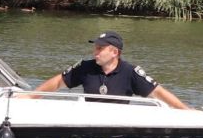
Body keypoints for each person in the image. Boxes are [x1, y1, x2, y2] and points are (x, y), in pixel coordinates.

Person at [33, 31, 190, 108]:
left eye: (100, 49)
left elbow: (158, 92)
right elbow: (59, 81)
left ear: (115, 52)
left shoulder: (130, 72)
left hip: (116, 127)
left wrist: (186, 111)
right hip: (89, 125)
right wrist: (30, 97)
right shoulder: (85, 67)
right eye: (95, 48)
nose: (95, 52)